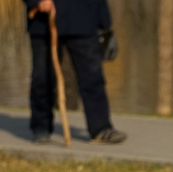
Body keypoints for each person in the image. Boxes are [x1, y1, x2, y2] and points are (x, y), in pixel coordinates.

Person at [24, 0, 126, 144]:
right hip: (44, 20)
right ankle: (41, 128)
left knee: (93, 78)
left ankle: (101, 129)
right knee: (43, 78)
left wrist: (105, 24)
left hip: (83, 17)